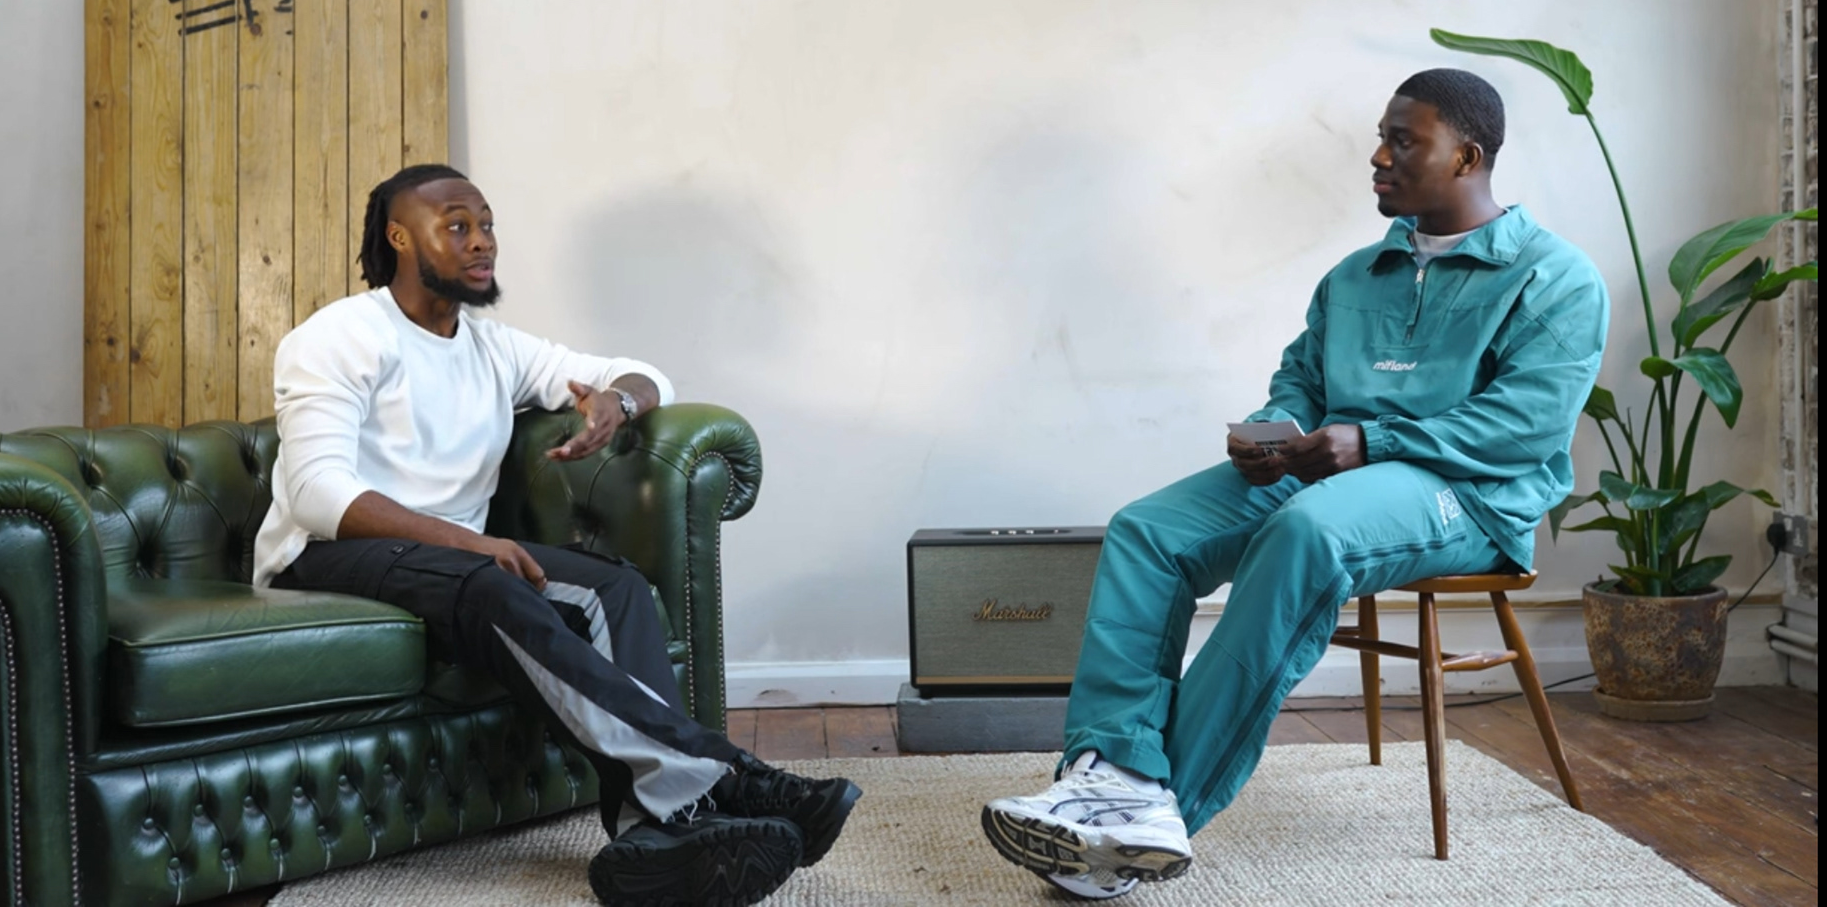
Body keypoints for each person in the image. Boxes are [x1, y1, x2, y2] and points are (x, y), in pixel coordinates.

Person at [980, 69, 1609, 899]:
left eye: (1403, 141)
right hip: (1327, 469)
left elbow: (1525, 425)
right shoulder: (1355, 274)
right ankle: (1110, 767)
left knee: (1306, 533)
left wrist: (1374, 440)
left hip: (1469, 493)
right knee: (1148, 530)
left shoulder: (1554, 276)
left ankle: (1151, 811)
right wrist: (1271, 432)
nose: (1378, 157)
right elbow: (1303, 381)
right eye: (1380, 139)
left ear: (1467, 156)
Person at [252, 164, 859, 907]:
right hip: (324, 557)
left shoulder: (492, 348)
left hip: (447, 563)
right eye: (456, 226)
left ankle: (656, 837)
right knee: (489, 581)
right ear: (399, 237)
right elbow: (318, 495)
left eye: (486, 224)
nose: (482, 241)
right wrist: (468, 543)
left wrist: (616, 403)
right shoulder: (339, 335)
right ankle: (728, 777)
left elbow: (643, 374)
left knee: (619, 586)